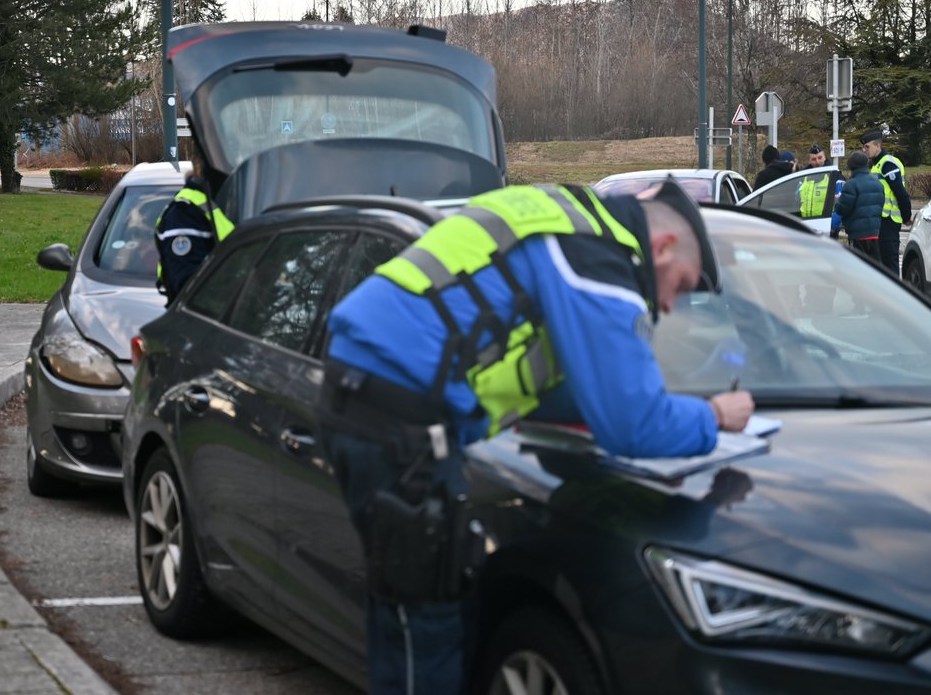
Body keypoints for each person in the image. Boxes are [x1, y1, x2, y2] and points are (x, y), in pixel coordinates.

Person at [317, 180, 755, 695]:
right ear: (660, 248)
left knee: (402, 607)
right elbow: (633, 424)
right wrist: (714, 416)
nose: (671, 305)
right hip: (402, 417)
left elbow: (548, 372)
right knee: (427, 620)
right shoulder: (594, 256)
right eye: (680, 286)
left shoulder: (561, 219)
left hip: (366, 396)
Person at [154, 148, 234, 304]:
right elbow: (188, 285)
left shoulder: (224, 202)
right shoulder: (184, 213)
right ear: (199, 168)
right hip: (207, 320)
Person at [860, 129, 911, 275]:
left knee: (889, 263)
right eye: (863, 147)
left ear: (877, 146)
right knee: (881, 263)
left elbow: (900, 193)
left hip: (888, 220)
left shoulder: (887, 164)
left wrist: (906, 216)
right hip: (879, 221)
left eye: (867, 147)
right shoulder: (877, 165)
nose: (864, 150)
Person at [834, 151, 885, 263]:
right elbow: (880, 205)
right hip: (875, 233)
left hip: (857, 234)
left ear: (851, 166)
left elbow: (844, 209)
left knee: (859, 267)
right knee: (875, 268)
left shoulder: (851, 185)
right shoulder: (878, 183)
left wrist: (837, 201)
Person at [797, 143, 844, 219]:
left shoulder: (835, 175)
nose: (817, 162)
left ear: (824, 157)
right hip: (806, 224)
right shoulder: (803, 176)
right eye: (814, 159)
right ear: (809, 161)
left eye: (820, 157)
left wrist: (833, 226)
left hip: (826, 224)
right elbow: (797, 200)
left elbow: (841, 202)